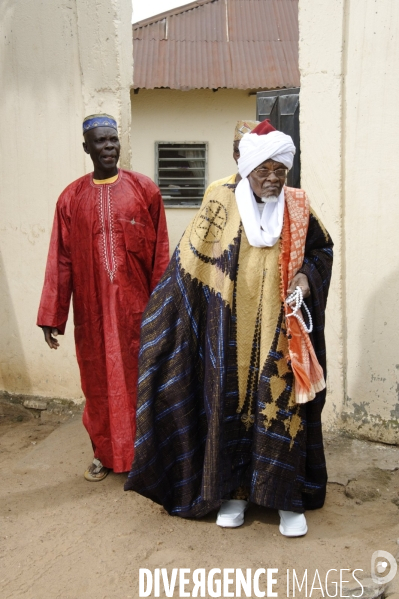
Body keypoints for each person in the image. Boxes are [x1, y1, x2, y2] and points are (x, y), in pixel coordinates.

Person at [124, 120, 333, 537]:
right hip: (229, 328)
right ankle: (234, 494)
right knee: (230, 406)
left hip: (280, 329)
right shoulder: (220, 198)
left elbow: (321, 249)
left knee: (282, 408)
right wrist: (162, 317)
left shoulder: (297, 205)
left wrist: (306, 279)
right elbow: (192, 259)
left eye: (280, 171)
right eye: (263, 171)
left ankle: (287, 503)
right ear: (248, 169)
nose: (272, 179)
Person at [37, 114, 169, 481]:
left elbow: (160, 252)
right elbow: (60, 259)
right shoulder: (70, 198)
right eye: (100, 141)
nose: (109, 146)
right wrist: (52, 314)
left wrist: (162, 307)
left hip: (137, 309)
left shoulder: (145, 190)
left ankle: (145, 456)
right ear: (86, 147)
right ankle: (104, 455)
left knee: (142, 379)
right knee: (96, 383)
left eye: (113, 140)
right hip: (91, 312)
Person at [203, 119, 259, 200]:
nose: (241, 157)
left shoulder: (273, 189)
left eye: (247, 151)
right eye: (237, 151)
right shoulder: (216, 188)